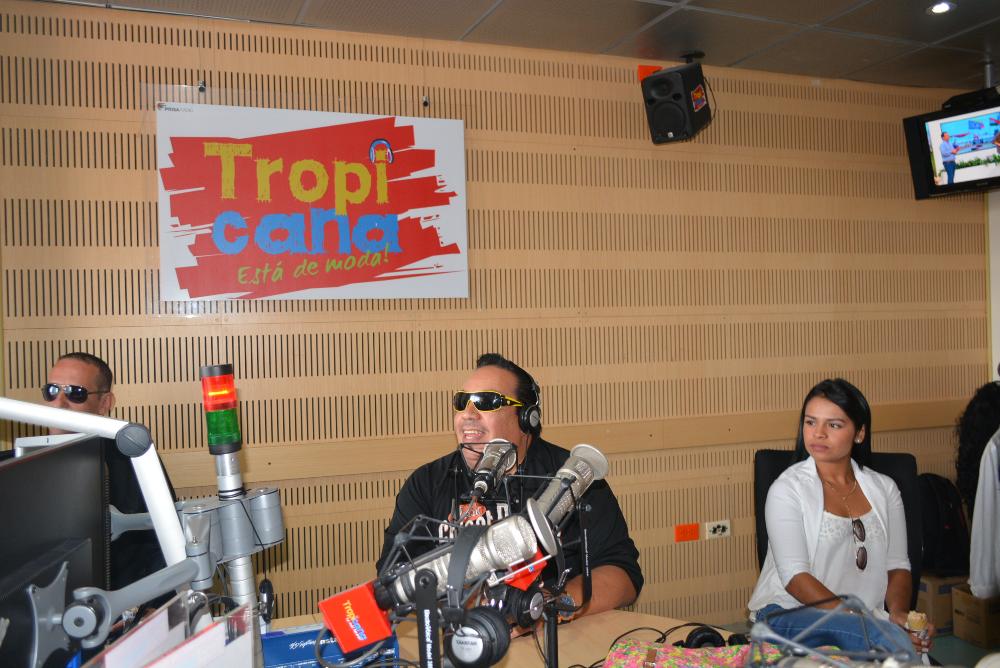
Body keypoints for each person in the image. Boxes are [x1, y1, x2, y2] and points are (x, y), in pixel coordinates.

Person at [376, 353, 642, 626]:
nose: (467, 414)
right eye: (461, 402)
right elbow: (391, 580)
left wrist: (546, 606)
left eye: (487, 402)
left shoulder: (573, 478)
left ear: (526, 419)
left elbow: (623, 574)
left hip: (557, 635)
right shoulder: (427, 483)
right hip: (460, 634)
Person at [747, 378, 932, 658]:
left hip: (861, 619)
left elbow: (897, 565)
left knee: (898, 640)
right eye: (810, 422)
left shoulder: (885, 488)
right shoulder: (786, 489)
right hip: (788, 614)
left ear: (859, 433)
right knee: (881, 641)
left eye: (833, 425)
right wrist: (862, 621)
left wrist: (897, 614)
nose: (818, 433)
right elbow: (795, 577)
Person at [43, 352, 175, 591]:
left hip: (127, 601)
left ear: (105, 403)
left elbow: (163, 539)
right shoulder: (21, 465)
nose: (59, 404)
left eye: (76, 393)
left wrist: (153, 603)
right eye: (52, 391)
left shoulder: (134, 457)